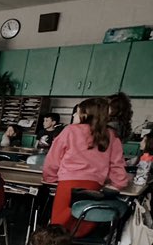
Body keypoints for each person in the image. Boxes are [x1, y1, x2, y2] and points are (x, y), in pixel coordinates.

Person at [43, 98, 128, 237]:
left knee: (59, 228)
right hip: (94, 187)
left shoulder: (70, 130)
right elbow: (117, 164)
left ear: (85, 114)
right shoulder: (111, 135)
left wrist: (50, 178)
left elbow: (52, 160)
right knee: (82, 223)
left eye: (77, 113)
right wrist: (118, 184)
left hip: (67, 185)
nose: (74, 116)